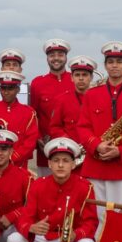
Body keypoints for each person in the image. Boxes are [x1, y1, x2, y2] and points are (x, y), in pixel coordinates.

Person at [7, 138, 98, 242]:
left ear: (73, 164)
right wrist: (31, 227)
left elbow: (91, 222)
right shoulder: (38, 185)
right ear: (49, 164)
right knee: (14, 240)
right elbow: (24, 217)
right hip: (47, 238)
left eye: (65, 161)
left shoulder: (85, 187)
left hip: (72, 240)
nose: (61, 165)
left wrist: (77, 234)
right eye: (56, 161)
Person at [77, 41, 122, 209]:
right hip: (95, 164)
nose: (114, 66)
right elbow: (82, 127)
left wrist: (121, 151)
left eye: (119, 62)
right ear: (105, 65)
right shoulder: (92, 94)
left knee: (120, 215)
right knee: (95, 214)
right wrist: (97, 145)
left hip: (121, 166)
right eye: (110, 62)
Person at [30, 39, 74, 176]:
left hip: (75, 146)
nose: (56, 58)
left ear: (66, 57)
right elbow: (32, 114)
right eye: (52, 55)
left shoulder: (76, 79)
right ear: (47, 58)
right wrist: (38, 138)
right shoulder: (38, 83)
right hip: (47, 146)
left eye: (60, 54)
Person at [0, 71, 38, 167]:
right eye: (3, 88)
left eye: (10, 88)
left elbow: (30, 142)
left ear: (18, 89)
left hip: (17, 166)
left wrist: (12, 158)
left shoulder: (28, 113)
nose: (6, 92)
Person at [48, 55, 98, 144]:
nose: (81, 78)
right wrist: (69, 142)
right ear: (71, 77)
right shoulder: (61, 100)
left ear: (91, 77)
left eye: (85, 75)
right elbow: (55, 127)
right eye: (77, 75)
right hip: (70, 150)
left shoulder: (99, 99)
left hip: (94, 148)